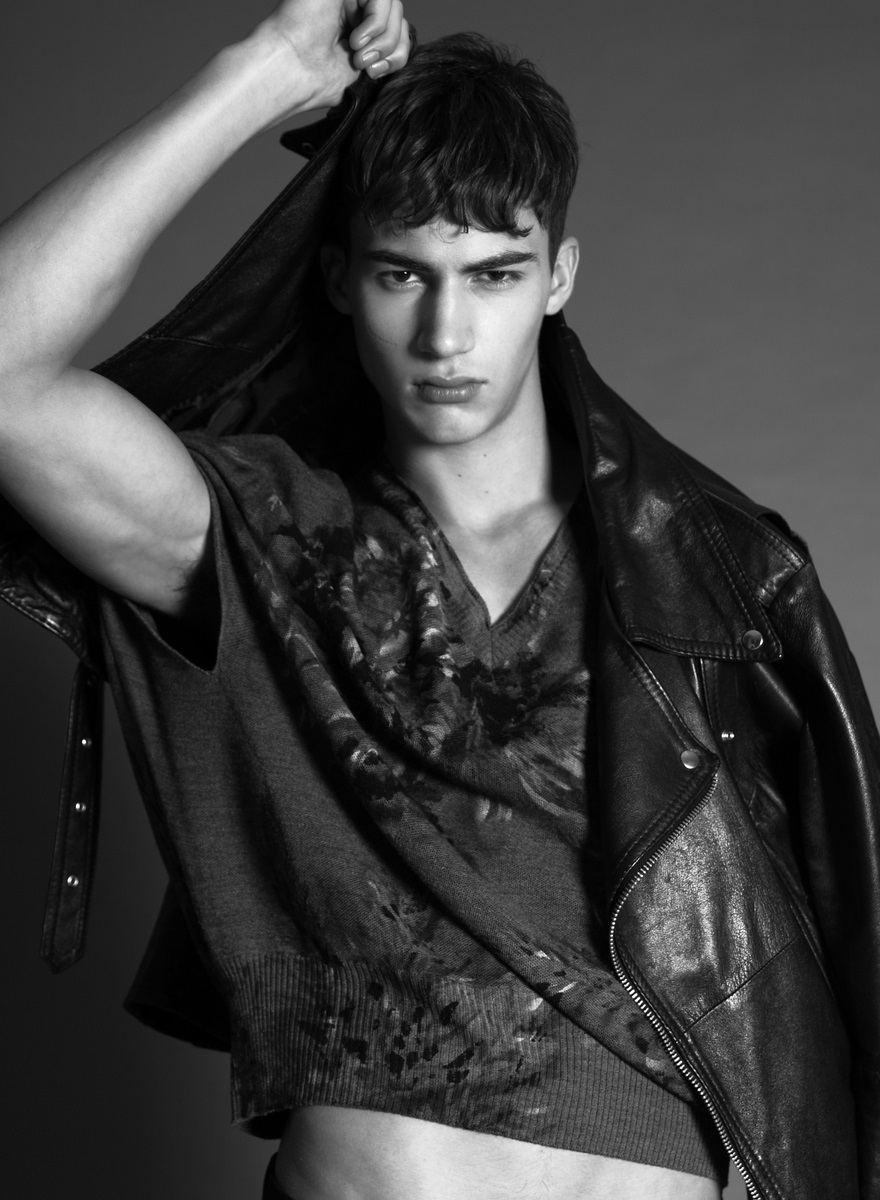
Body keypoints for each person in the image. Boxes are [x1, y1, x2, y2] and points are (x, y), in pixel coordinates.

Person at [0, 1, 878, 1198]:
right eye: (401, 274)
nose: (445, 331)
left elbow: (843, 958)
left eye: (494, 274)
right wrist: (262, 73)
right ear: (339, 281)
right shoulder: (270, 541)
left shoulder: (718, 579)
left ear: (557, 279)